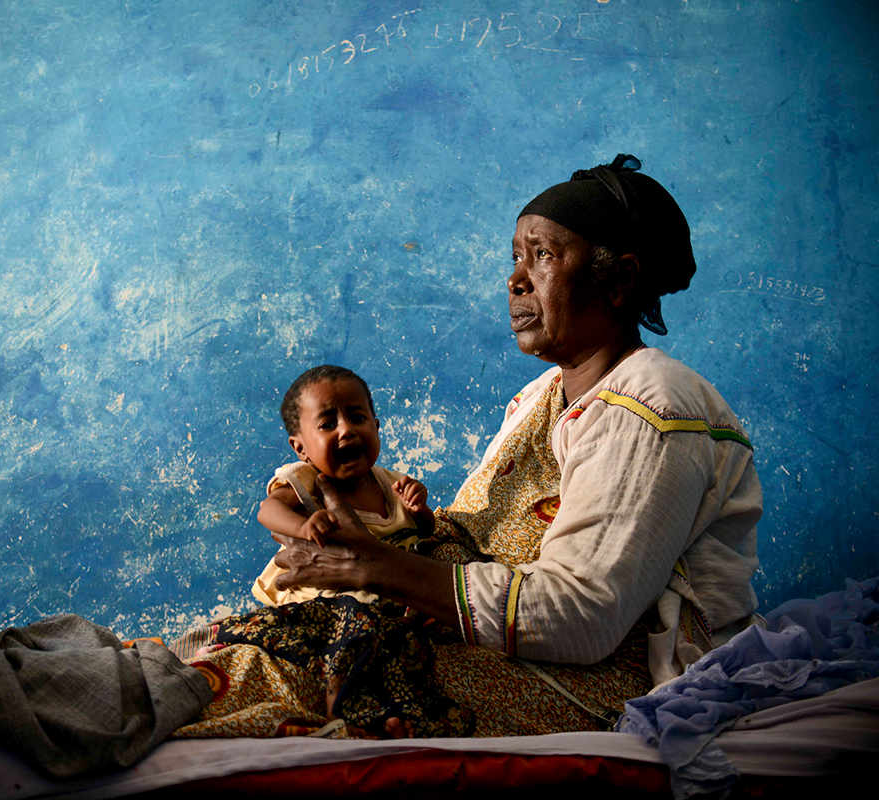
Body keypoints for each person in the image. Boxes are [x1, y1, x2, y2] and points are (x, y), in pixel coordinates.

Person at [171, 154, 762, 740]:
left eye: (544, 256)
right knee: (261, 644)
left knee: (305, 673)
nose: (516, 279)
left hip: (598, 675)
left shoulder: (655, 406)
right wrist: (383, 566)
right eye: (516, 257)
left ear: (620, 279)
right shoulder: (543, 394)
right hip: (486, 632)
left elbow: (584, 616)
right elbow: (476, 538)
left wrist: (378, 566)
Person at [253, 364, 434, 607]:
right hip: (317, 601)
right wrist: (303, 526)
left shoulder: (391, 483)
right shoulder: (307, 481)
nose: (347, 430)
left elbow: (426, 531)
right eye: (328, 425)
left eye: (358, 418)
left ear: (377, 429)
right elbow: (268, 510)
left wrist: (419, 510)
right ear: (301, 448)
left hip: (381, 592)